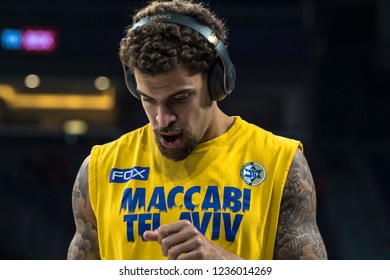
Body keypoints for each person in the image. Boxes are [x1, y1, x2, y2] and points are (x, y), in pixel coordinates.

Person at [67, 0, 327, 260]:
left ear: (217, 83)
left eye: (180, 98)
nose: (162, 119)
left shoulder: (280, 163)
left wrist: (222, 262)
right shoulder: (100, 170)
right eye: (148, 99)